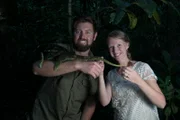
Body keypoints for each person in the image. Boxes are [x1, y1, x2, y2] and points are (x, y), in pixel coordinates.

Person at [27, 16, 104, 120]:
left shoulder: (97, 64)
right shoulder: (59, 50)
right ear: (73, 34)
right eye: (78, 32)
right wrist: (78, 65)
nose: (82, 36)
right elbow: (37, 68)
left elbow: (91, 101)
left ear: (94, 36)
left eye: (88, 32)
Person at [98, 30, 166, 120]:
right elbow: (104, 101)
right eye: (111, 47)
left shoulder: (142, 67)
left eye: (119, 45)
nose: (115, 50)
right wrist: (100, 74)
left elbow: (161, 103)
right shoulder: (112, 74)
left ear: (127, 45)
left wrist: (138, 79)